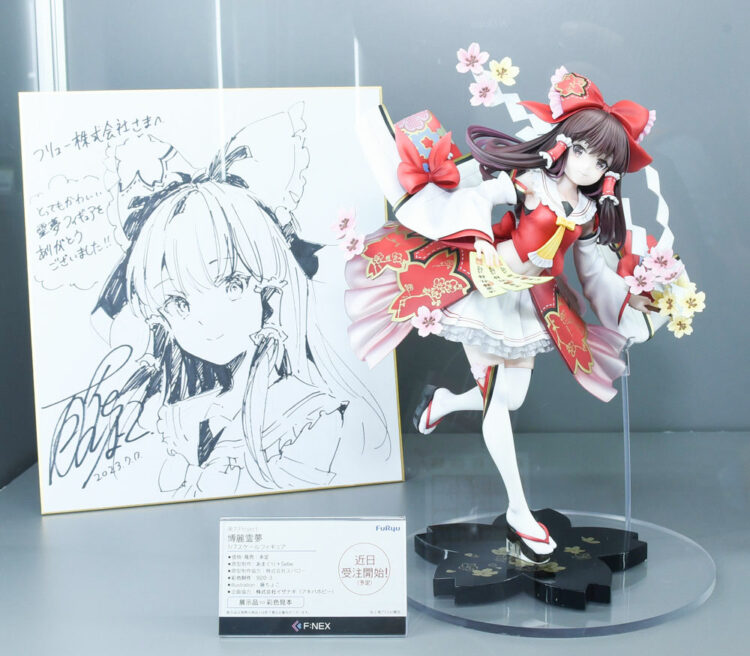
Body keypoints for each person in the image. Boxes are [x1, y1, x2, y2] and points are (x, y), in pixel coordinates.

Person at [346, 69, 657, 562]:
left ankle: (445, 403)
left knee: (511, 397)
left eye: (601, 161)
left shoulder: (588, 213)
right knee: (496, 399)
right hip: (487, 290)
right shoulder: (530, 182)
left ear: (610, 171)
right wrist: (465, 225)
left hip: (530, 302)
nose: (587, 165)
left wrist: (628, 298)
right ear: (563, 142)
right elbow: (475, 197)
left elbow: (592, 270)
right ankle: (519, 511)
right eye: (582, 150)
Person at [96, 112, 391, 498]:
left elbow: (306, 505)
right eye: (178, 303)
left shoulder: (306, 412)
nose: (207, 321)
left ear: (266, 288)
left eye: (232, 285)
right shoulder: (184, 416)